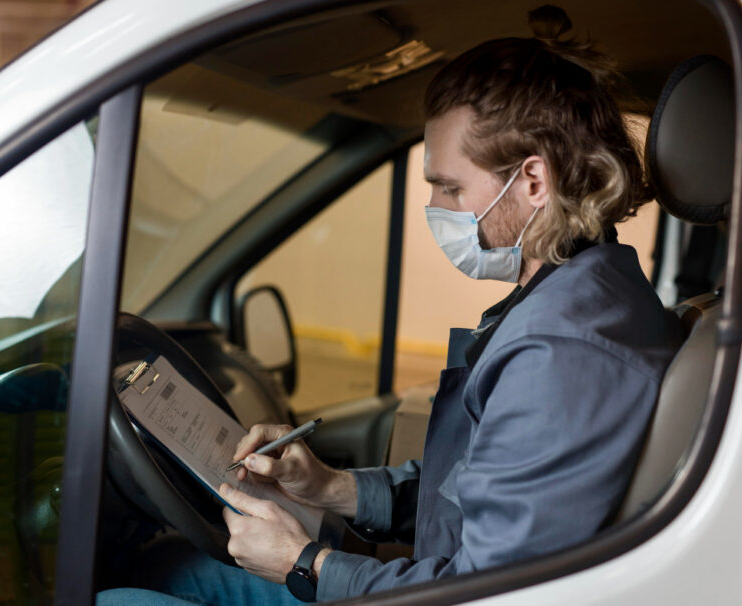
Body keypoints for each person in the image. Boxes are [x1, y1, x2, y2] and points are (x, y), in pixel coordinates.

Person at [98, 5, 683, 605]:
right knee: (166, 564)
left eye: (451, 187)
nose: (435, 205)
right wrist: (329, 487)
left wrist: (305, 564)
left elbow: (486, 593)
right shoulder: (573, 295)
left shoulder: (563, 352)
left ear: (534, 181)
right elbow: (472, 496)